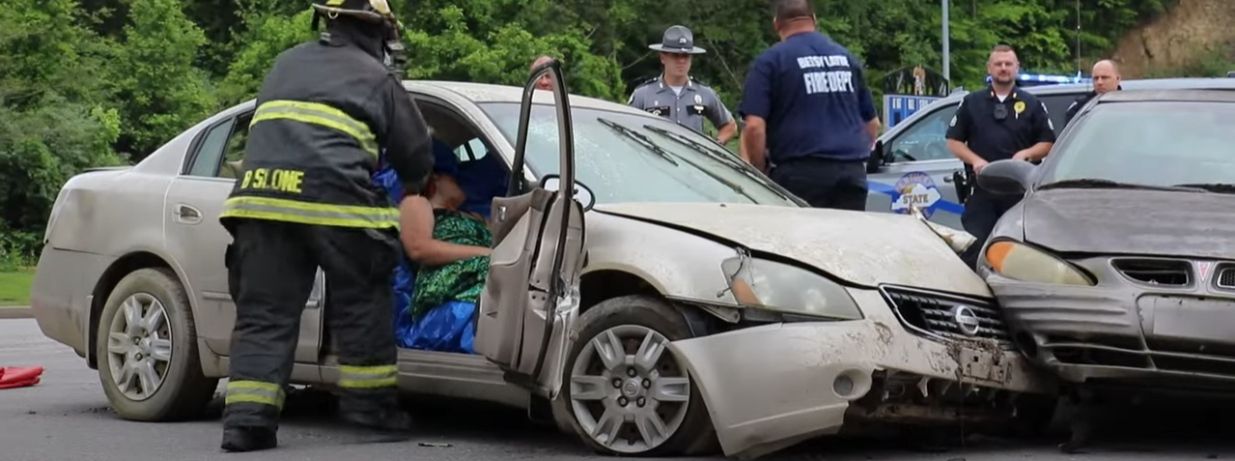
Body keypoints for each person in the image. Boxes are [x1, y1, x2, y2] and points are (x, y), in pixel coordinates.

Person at [216, 0, 434, 452]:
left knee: (263, 316)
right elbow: (415, 153)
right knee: (363, 299)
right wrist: (414, 186)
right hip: (336, 204)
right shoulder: (377, 77)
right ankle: (370, 408)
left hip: (260, 201)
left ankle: (246, 423)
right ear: (376, 29)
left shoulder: (285, 62)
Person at [737, 0, 880, 211]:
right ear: (814, 20)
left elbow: (754, 126)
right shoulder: (846, 58)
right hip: (851, 174)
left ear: (777, 24)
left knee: (801, 242)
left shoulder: (771, 61)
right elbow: (872, 124)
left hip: (799, 175)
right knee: (847, 241)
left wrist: (760, 170)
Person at [945, 44, 1056, 269]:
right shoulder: (971, 102)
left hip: (1019, 193)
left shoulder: (1032, 104)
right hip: (982, 191)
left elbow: (1049, 143)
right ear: (989, 67)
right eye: (998, 64)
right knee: (975, 249)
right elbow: (953, 141)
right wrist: (975, 160)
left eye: (1008, 64)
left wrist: (1026, 154)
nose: (1003, 68)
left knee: (1020, 252)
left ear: (1017, 67)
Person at [398, 145, 492, 321]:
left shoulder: (473, 215)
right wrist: (486, 255)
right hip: (448, 285)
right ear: (436, 177)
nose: (461, 181)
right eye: (454, 177)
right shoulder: (418, 203)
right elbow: (419, 248)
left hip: (484, 276)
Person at [627, 25, 737, 144]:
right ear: (663, 58)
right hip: (656, 159)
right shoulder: (644, 94)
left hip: (693, 160)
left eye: (685, 56)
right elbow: (625, 128)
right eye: (675, 55)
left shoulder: (703, 93)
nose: (681, 61)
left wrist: (714, 145)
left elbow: (729, 126)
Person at [1063, 59, 1122, 127]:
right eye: (1096, 78)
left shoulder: (1129, 104)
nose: (1099, 82)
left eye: (1104, 78)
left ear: (1118, 79)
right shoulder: (1080, 107)